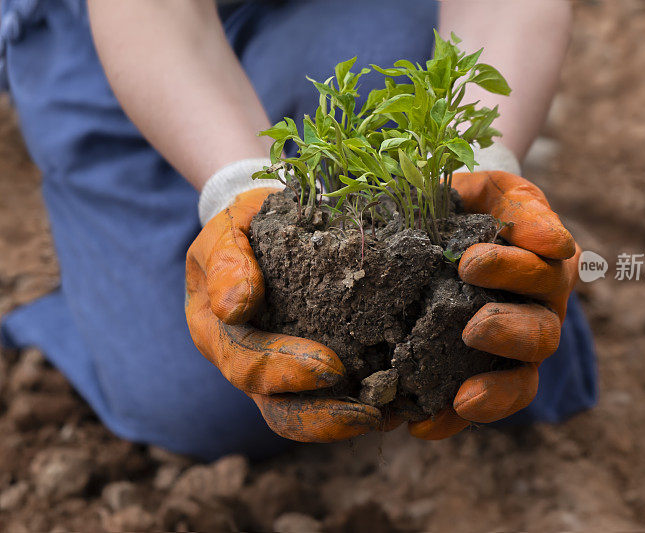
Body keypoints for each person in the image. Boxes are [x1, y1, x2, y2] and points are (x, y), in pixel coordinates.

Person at [0, 0, 597, 460]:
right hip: (126, 28)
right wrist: (238, 187)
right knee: (193, 403)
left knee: (498, 344)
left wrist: (485, 166)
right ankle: (89, 287)